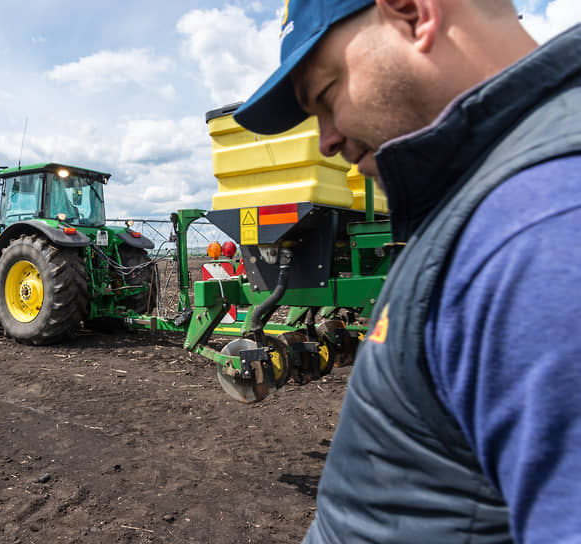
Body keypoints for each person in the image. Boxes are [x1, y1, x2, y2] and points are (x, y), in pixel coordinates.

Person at [233, 0, 581, 542]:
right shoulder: (488, 209)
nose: (326, 139)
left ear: (413, 13)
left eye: (325, 96)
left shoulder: (546, 228)